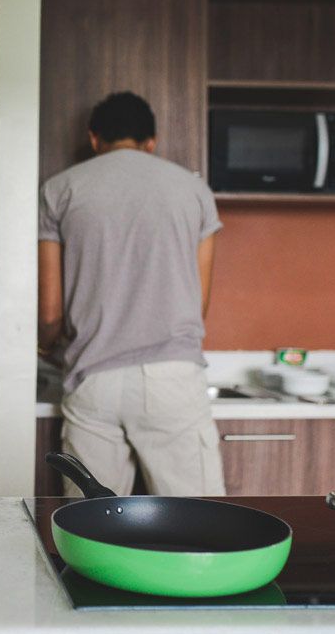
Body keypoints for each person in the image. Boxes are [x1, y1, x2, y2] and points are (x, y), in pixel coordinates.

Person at [37, 91, 225, 497]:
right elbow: (200, 305)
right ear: (151, 141)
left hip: (93, 378)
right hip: (172, 378)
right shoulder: (195, 192)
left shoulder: (59, 189)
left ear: (94, 138)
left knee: (91, 529)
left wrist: (46, 346)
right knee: (196, 525)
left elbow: (50, 312)